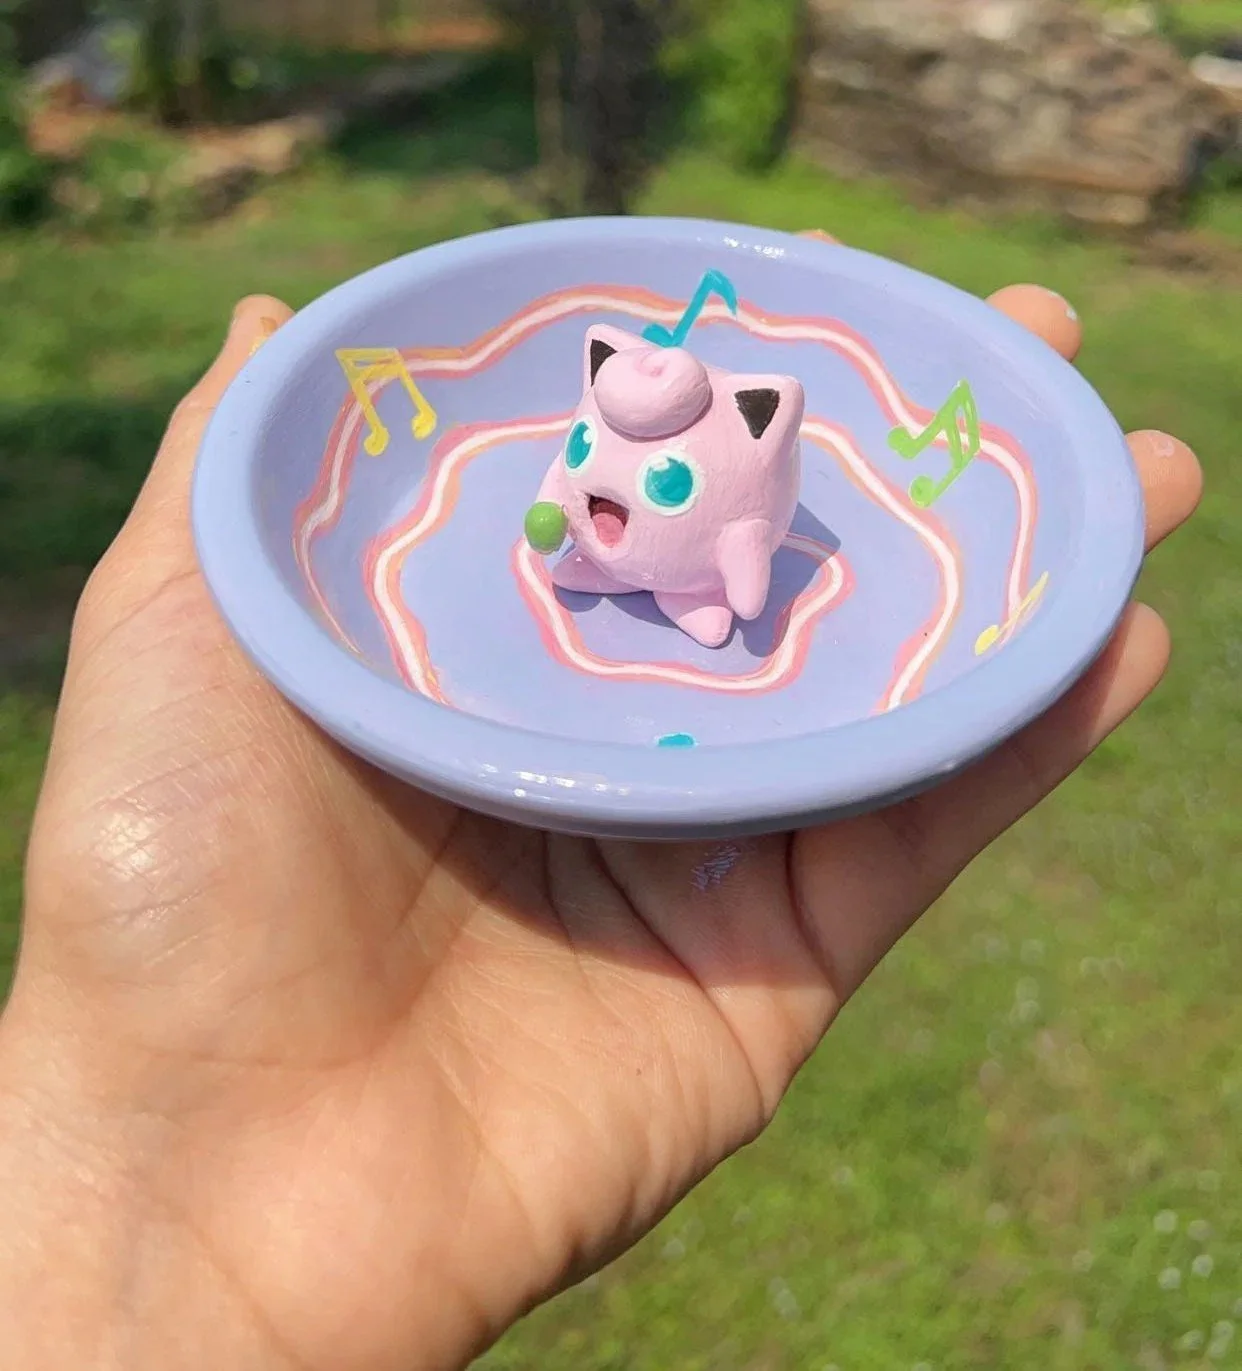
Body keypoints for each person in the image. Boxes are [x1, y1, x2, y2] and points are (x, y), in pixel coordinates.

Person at [0, 237, 1203, 1370]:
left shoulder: (757, 431)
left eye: (660, 478)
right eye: (590, 449)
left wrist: (723, 564)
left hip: (708, 579)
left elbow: (746, 554)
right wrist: (136, 1169)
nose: (600, 481)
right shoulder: (582, 469)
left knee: (704, 586)